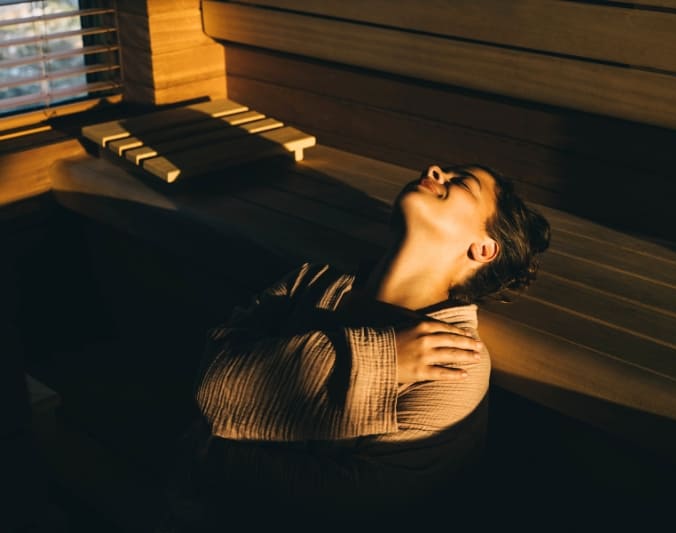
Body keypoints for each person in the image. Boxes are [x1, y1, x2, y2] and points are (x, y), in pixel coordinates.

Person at [180, 163, 550, 527]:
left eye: (463, 182)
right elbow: (211, 386)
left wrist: (214, 451)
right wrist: (385, 358)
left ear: (484, 249)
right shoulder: (311, 283)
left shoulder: (456, 360)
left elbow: (359, 506)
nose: (435, 169)